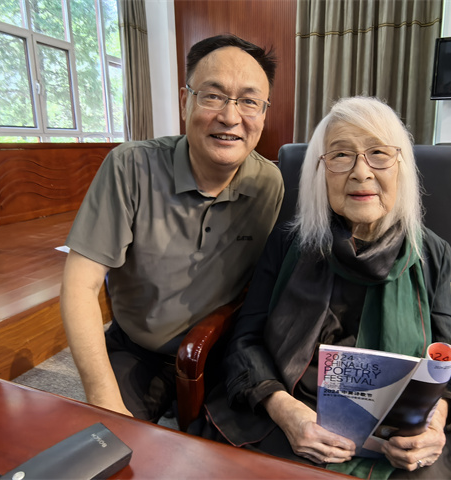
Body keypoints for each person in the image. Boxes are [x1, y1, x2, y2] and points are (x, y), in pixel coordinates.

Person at [197, 96, 451, 479]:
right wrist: (286, 412)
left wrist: (434, 423)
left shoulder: (430, 252)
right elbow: (246, 340)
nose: (361, 173)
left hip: (398, 432)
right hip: (293, 410)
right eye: (341, 155)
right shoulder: (288, 244)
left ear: (400, 166)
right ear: (321, 171)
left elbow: (447, 360)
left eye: (378, 154)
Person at [60, 34, 284, 422]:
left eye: (249, 101)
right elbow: (79, 285)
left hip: (221, 346)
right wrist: (103, 397)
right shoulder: (130, 167)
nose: (231, 117)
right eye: (213, 96)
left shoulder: (269, 183)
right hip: (139, 348)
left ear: (263, 114)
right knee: (108, 438)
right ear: (185, 101)